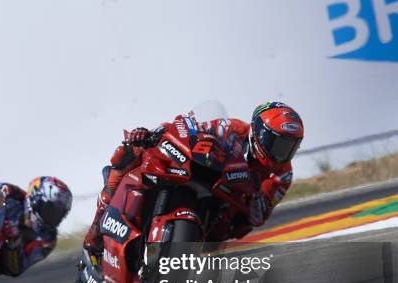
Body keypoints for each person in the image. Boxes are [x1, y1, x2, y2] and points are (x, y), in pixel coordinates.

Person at [83, 101, 304, 253]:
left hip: (226, 202)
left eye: (289, 147)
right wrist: (154, 134)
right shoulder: (232, 128)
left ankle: (178, 252)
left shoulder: (282, 175)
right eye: (278, 144)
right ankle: (97, 226)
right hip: (204, 175)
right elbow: (187, 129)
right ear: (259, 133)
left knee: (227, 230)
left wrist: (253, 195)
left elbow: (258, 216)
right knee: (134, 150)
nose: (280, 153)